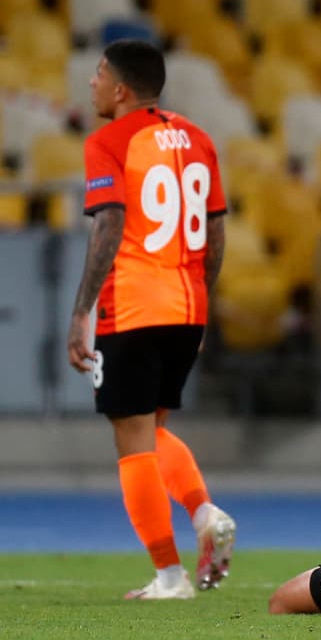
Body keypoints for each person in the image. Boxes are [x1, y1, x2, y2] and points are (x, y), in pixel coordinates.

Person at [66, 39, 237, 600]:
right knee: (154, 429)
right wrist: (200, 300)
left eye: (97, 75)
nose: (91, 84)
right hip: (187, 304)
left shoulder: (108, 141)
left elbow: (109, 224)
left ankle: (169, 575)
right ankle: (203, 510)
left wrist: (81, 309)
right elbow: (215, 234)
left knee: (131, 439)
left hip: (134, 304)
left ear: (120, 89)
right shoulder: (199, 139)